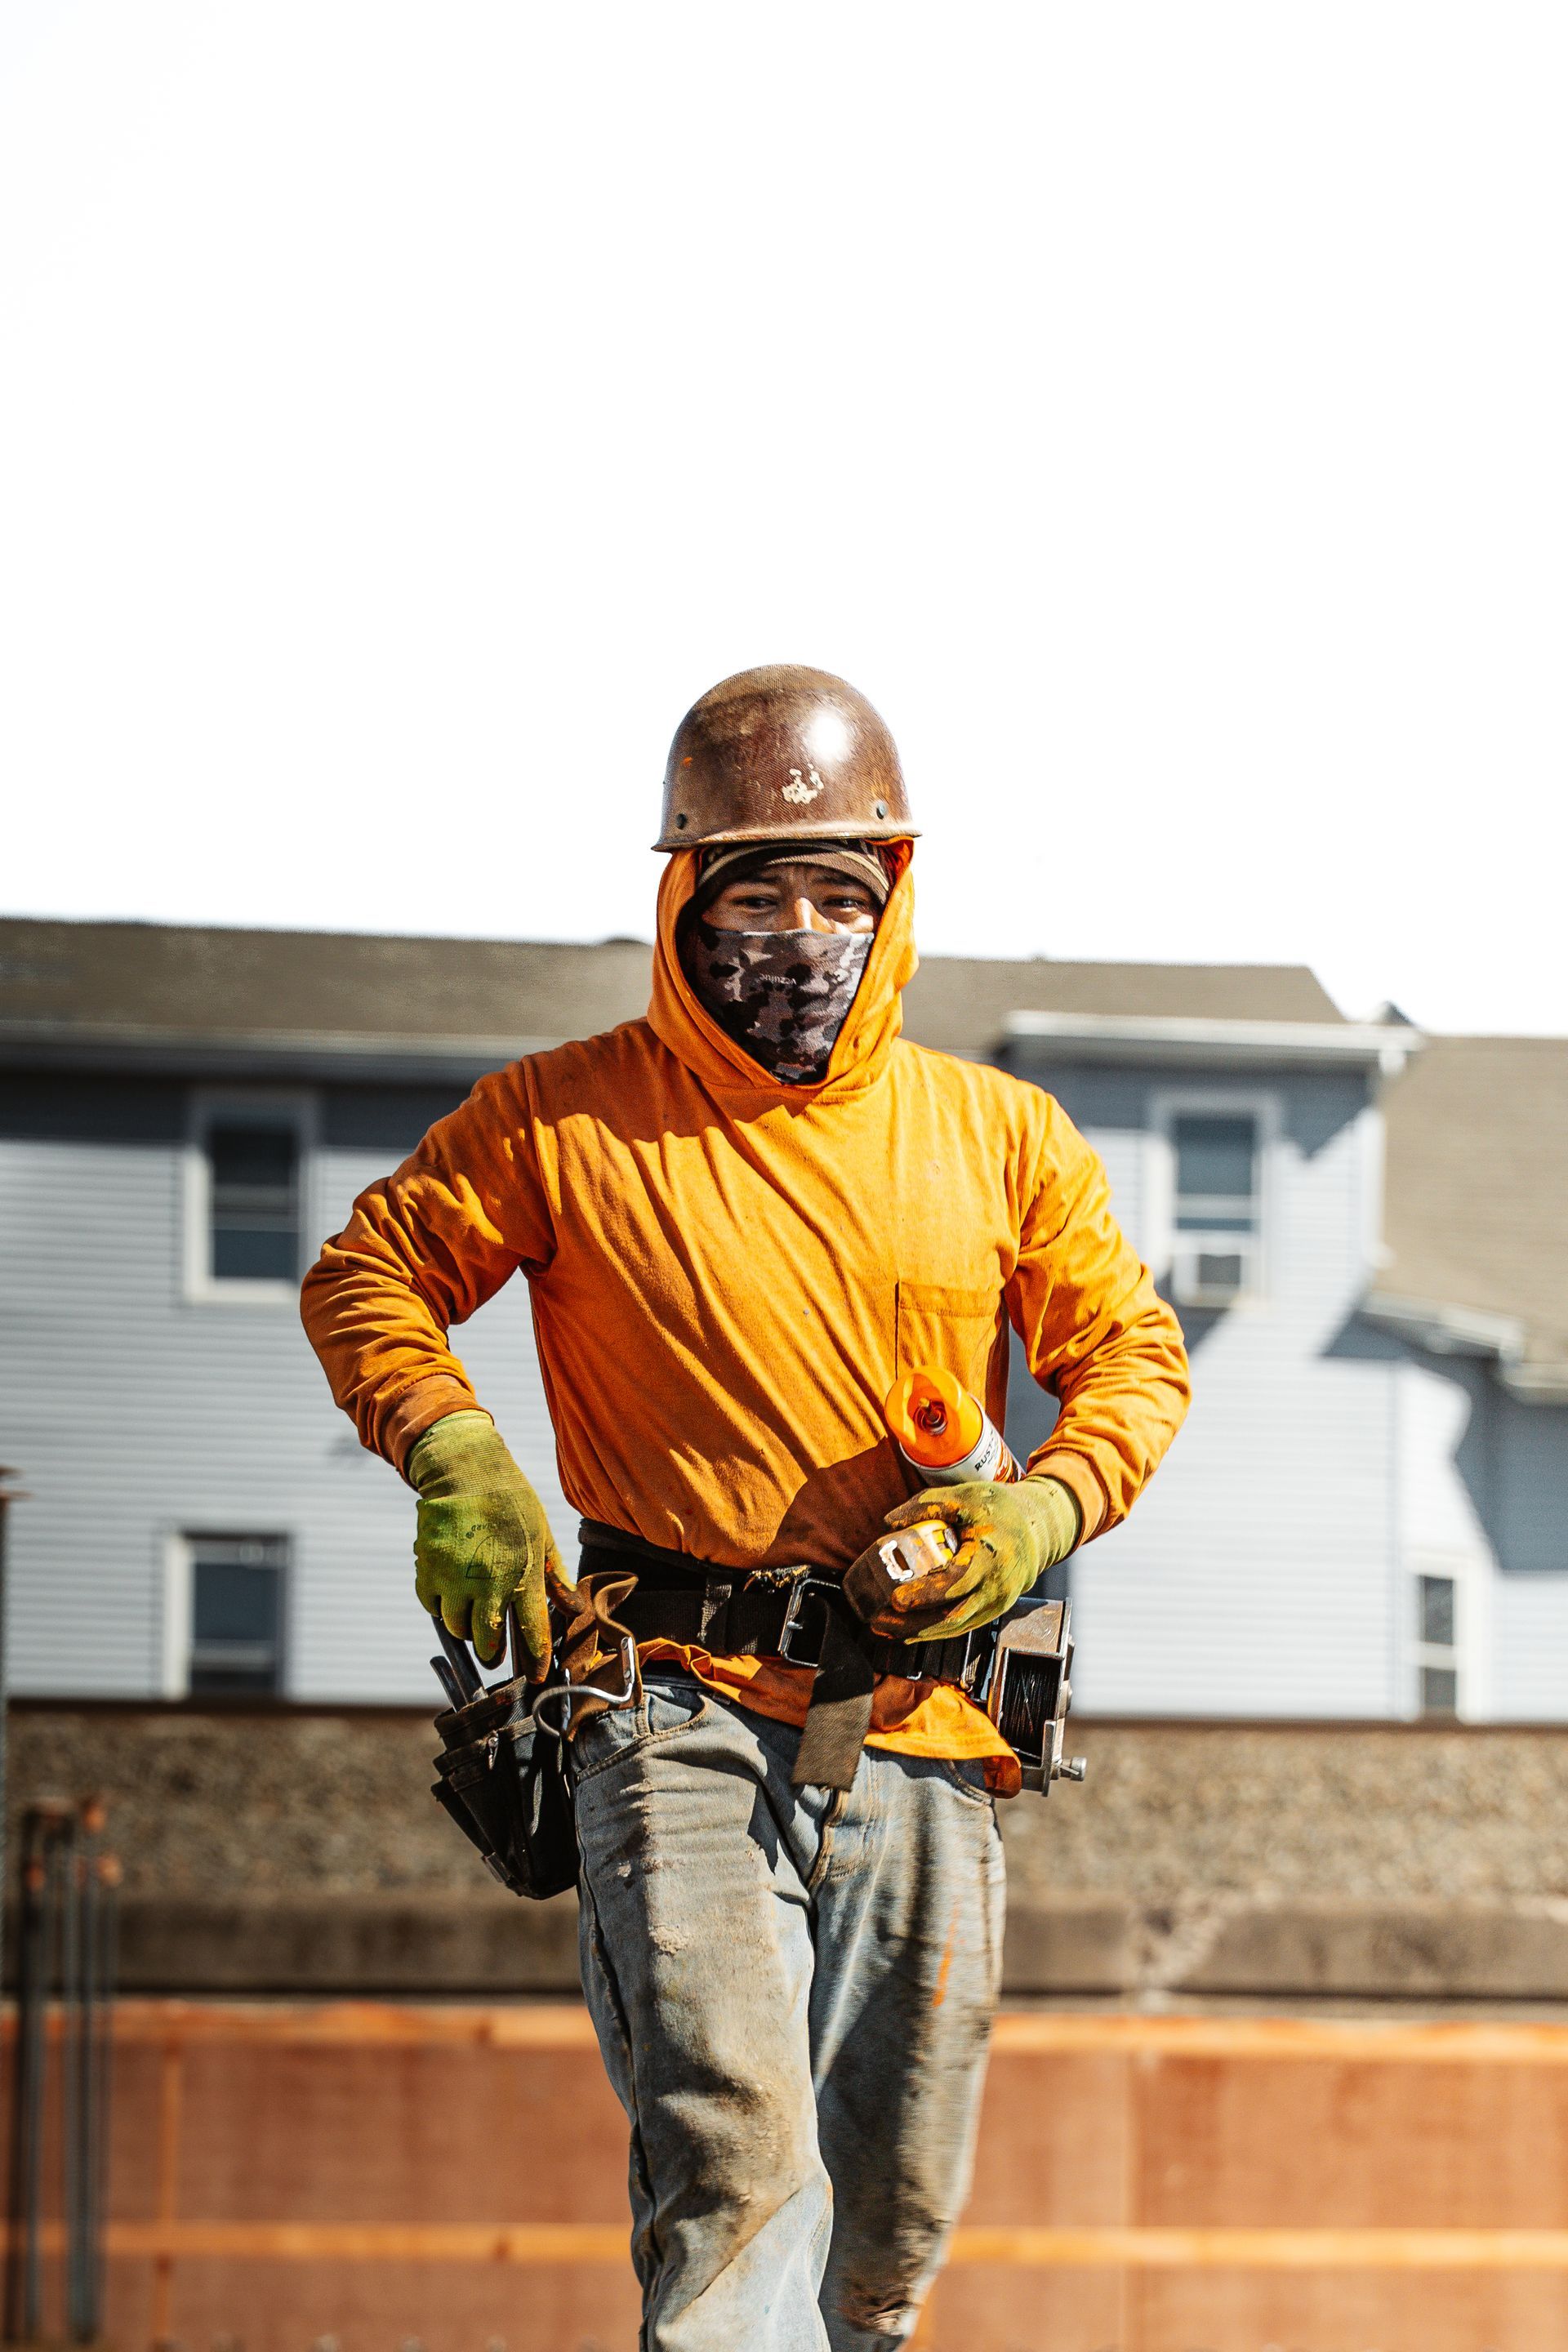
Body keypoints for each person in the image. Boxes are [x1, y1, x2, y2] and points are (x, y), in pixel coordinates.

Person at [301, 665, 1189, 2352]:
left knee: (889, 2232)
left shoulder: (1000, 1139)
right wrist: (457, 1457)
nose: (798, 936)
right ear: (682, 902)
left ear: (894, 904)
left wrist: (1036, 1514)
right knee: (740, 2181)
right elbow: (373, 1274)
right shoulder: (563, 1122)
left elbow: (1132, 1359)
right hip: (672, 1715)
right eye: (756, 894)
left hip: (926, 1726)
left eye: (838, 896)